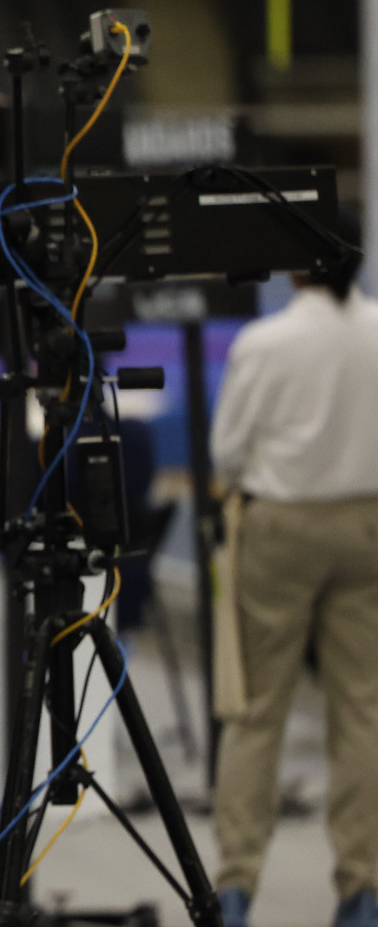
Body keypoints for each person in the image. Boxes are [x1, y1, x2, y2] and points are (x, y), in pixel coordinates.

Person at [210, 255, 378, 927]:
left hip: (280, 526)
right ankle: (363, 889)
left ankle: (236, 885)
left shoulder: (265, 342)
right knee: (363, 708)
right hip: (366, 523)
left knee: (256, 709)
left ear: (298, 267)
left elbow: (227, 450)